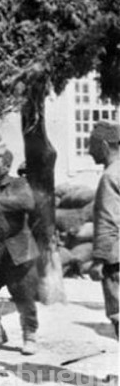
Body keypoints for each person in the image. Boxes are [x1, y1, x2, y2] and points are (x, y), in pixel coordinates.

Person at [0, 150, 41, 355]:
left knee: (23, 295)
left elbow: (26, 202)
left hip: (18, 250)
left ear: (5, 165)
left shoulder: (18, 184)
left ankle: (29, 336)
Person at [88, 121, 120, 339]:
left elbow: (108, 221)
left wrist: (99, 259)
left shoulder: (110, 176)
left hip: (115, 259)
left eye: (93, 145)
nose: (90, 151)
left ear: (105, 147)